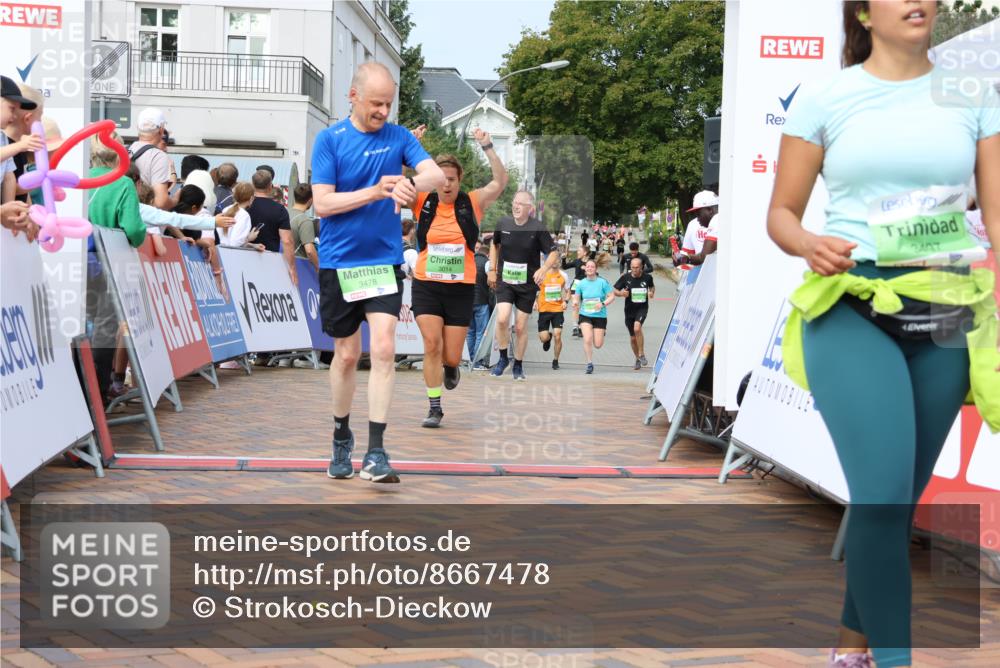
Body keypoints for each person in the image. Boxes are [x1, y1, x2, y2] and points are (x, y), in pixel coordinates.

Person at [767, 3, 999, 667]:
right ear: (865, 12)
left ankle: (850, 651)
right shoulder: (827, 96)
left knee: (893, 506)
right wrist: (809, 242)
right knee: (880, 497)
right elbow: (780, 213)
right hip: (851, 305)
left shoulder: (974, 96)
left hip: (946, 313)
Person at [311, 61, 444, 483]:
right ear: (352, 96)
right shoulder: (329, 140)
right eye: (375, 103)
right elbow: (322, 204)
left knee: (384, 348)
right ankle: (340, 437)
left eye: (388, 104)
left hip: (382, 261)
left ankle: (377, 451)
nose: (383, 112)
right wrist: (376, 191)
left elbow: (437, 175)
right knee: (347, 356)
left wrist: (412, 182)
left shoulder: (399, 137)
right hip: (339, 263)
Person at [410, 132, 508, 427]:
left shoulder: (473, 202)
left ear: (459, 180)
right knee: (431, 345)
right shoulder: (422, 200)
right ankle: (434, 406)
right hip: (427, 284)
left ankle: (451, 368)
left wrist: (488, 147)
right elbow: (393, 182)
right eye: (441, 178)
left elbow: (500, 182)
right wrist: (410, 149)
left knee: (451, 356)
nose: (447, 184)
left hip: (461, 289)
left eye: (452, 178)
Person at [488, 190, 559, 381]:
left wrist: (543, 269)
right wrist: (492, 270)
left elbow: (553, 253)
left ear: (530, 208)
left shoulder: (538, 228)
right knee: (502, 319)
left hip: (527, 284)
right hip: (505, 280)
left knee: (520, 326)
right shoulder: (503, 223)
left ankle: (518, 364)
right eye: (514, 202)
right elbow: (494, 245)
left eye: (521, 203)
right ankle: (503, 359)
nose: (516, 206)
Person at [1, 76, 39, 233]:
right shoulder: (14, 146)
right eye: (11, 108)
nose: (15, 115)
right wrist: (20, 146)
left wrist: (10, 215)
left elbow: (9, 177)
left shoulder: (3, 138)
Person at [247, 169, 297, 285]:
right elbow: (287, 241)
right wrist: (292, 268)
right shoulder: (279, 210)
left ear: (253, 185)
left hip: (242, 258)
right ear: (270, 186)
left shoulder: (245, 206)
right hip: (269, 261)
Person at [573, 256, 615, 374]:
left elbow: (611, 296)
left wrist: (603, 304)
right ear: (585, 269)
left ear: (596, 269)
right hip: (585, 314)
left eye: (592, 267)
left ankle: (600, 332)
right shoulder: (581, 283)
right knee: (587, 339)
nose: (590, 268)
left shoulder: (602, 282)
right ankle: (589, 363)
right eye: (588, 267)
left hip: (600, 315)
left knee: (598, 344)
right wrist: (575, 303)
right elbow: (576, 298)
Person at [128, 108, 175, 210]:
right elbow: (161, 202)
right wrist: (176, 200)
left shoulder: (126, 151)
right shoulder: (158, 156)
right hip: (144, 221)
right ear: (161, 130)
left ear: (137, 128)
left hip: (123, 215)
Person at [614, 256, 656, 370]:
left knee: (637, 328)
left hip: (642, 308)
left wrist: (651, 293)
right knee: (633, 338)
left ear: (642, 267)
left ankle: (642, 354)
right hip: (629, 310)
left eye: (637, 267)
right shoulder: (625, 277)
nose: (634, 269)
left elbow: (652, 287)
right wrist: (622, 294)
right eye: (632, 267)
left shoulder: (647, 277)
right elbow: (615, 290)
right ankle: (637, 358)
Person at [536, 264, 570, 370]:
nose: (555, 262)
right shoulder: (541, 273)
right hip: (544, 309)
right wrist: (534, 302)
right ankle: (548, 338)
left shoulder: (563, 275)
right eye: (553, 260)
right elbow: (533, 289)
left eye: (557, 260)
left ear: (560, 262)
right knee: (543, 338)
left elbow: (568, 291)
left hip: (557, 309)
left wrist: (566, 301)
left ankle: (556, 360)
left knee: (558, 335)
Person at [675, 190, 718, 269]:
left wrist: (686, 257)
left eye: (698, 214)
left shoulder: (716, 220)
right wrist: (686, 258)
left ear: (710, 210)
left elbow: (703, 257)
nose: (697, 219)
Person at [467, 237, 492, 369]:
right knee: (480, 333)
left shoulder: (468, 261)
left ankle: (469, 359)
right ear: (487, 254)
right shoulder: (487, 263)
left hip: (467, 301)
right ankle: (476, 362)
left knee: (470, 332)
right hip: (481, 301)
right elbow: (491, 281)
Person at [219, 182, 264, 250]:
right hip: (230, 255)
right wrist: (249, 238)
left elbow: (229, 241)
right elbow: (235, 244)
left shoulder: (226, 209)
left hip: (220, 250)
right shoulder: (244, 216)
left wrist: (252, 245)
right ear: (251, 198)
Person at [289, 183, 319, 271]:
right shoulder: (305, 221)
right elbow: (309, 251)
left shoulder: (284, 213)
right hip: (299, 267)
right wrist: (319, 268)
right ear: (310, 200)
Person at [562, 244, 589, 337]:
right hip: (576, 285)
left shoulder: (590, 263)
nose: (577, 252)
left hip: (586, 285)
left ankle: (582, 327)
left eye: (579, 251)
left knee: (584, 307)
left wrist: (587, 270)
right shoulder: (577, 261)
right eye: (577, 251)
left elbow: (596, 273)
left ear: (585, 253)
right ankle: (575, 327)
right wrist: (563, 259)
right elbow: (565, 267)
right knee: (575, 305)